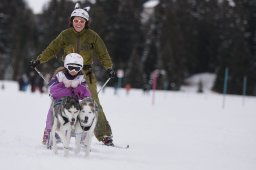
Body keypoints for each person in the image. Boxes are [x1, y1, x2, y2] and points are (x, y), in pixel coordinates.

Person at [29, 3, 116, 146]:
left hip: (85, 73)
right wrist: (39, 60)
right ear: (71, 21)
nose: (78, 23)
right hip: (66, 72)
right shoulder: (65, 34)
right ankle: (53, 130)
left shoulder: (93, 36)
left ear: (86, 23)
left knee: (93, 103)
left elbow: (103, 54)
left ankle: (104, 134)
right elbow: (52, 49)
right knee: (59, 101)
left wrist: (108, 68)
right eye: (76, 21)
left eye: (82, 21)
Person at [42, 53, 91, 145]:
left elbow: (86, 94)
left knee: (85, 111)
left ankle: (83, 135)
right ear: (66, 65)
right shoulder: (60, 75)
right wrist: (67, 88)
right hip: (60, 101)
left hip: (75, 104)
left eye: (77, 68)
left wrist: (77, 88)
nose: (73, 70)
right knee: (52, 111)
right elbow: (52, 90)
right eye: (71, 67)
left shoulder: (81, 78)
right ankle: (50, 132)